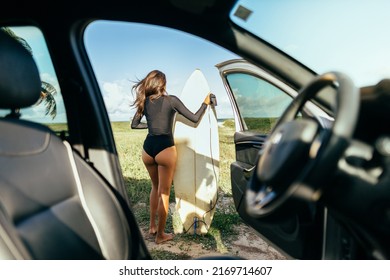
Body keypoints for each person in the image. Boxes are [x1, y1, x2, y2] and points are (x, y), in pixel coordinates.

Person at [131, 70, 211, 244]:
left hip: (148, 148)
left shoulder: (144, 102)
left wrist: (152, 125)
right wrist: (205, 103)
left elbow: (134, 125)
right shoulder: (171, 100)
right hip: (165, 149)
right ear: (162, 84)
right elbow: (195, 119)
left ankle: (152, 226)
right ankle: (160, 235)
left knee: (155, 187)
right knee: (164, 192)